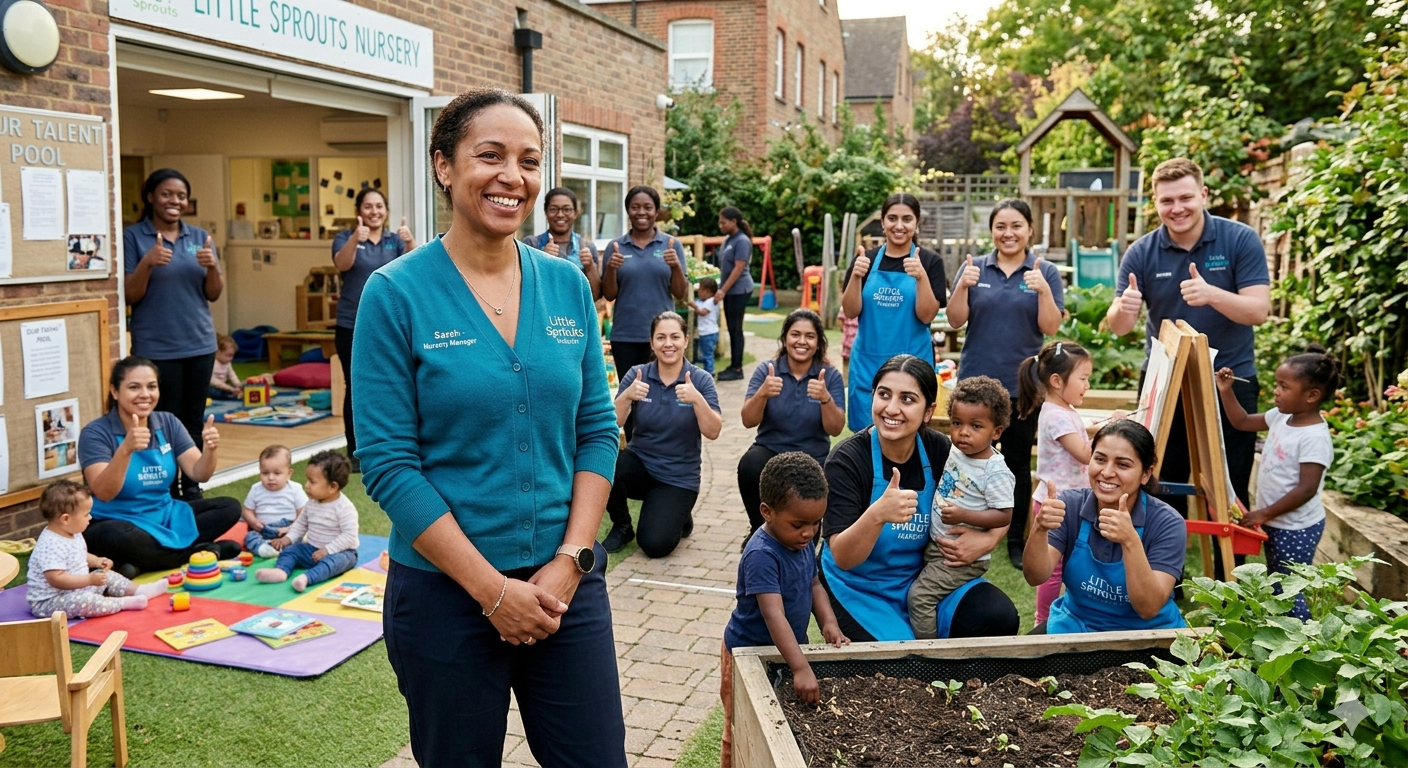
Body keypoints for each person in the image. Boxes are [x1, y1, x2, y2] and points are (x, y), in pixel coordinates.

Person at [353, 89, 625, 767]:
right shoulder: (395, 294)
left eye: (529, 161)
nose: (513, 176)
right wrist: (493, 592)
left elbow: (596, 428)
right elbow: (389, 465)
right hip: (447, 597)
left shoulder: (567, 287)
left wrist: (571, 560)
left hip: (566, 589)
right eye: (491, 155)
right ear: (444, 166)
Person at [1107, 158, 1271, 518]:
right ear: (1155, 202)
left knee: (1230, 488)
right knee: (1160, 482)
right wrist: (1125, 308)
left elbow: (1259, 310)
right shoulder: (1141, 252)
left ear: (1203, 194)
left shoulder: (1240, 239)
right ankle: (1168, 573)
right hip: (1166, 384)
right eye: (1167, 201)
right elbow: (1117, 325)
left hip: (1230, 381)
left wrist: (1212, 294)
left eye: (1185, 198)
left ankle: (1234, 575)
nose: (1177, 208)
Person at [820, 354, 1019, 642]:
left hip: (924, 577)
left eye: (908, 399)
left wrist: (988, 540)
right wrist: (877, 515)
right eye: (884, 395)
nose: (892, 408)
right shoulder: (848, 460)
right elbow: (843, 557)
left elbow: (995, 495)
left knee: (997, 615)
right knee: (901, 659)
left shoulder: (941, 451)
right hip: (858, 588)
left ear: (929, 411)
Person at [947, 198, 1064, 568]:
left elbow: (1051, 328)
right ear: (992, 231)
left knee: (1014, 463)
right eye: (1001, 226)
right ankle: (961, 527)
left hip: (1023, 387)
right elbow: (953, 320)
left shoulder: (1044, 271)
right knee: (967, 457)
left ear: (1030, 230)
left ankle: (1013, 538)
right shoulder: (974, 268)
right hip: (976, 383)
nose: (1008, 233)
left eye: (1016, 226)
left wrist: (1043, 290)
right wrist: (961, 287)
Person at [720, 452, 848, 768]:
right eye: (798, 524)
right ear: (767, 512)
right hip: (746, 653)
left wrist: (829, 622)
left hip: (784, 652)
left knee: (778, 724)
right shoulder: (762, 555)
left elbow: (814, 583)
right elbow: (773, 614)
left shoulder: (801, 543)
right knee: (739, 730)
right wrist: (801, 667)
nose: (809, 532)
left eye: (816, 523)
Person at [79, 357, 242, 576]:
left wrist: (211, 450)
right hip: (116, 521)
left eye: (151, 387)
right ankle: (193, 554)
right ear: (115, 391)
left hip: (165, 514)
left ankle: (142, 562)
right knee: (112, 535)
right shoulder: (95, 433)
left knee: (229, 507)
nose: (145, 394)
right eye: (134, 387)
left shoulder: (168, 422)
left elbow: (199, 473)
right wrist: (125, 450)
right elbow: (104, 493)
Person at [1024, 420, 1188, 634]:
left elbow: (1148, 608)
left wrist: (1130, 541)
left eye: (1123, 464)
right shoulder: (1071, 507)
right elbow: (1035, 576)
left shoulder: (1167, 523)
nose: (1107, 472)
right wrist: (1039, 529)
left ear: (1146, 474)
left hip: (1146, 636)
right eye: (1100, 459)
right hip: (1076, 627)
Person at [1216, 346, 1338, 621]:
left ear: (1311, 396)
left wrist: (1263, 513)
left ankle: (1303, 639)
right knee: (1278, 583)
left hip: (1296, 527)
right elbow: (1243, 421)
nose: (1276, 391)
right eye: (1277, 385)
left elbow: (1307, 489)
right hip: (1277, 521)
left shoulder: (1314, 438)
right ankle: (1284, 635)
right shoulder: (1282, 417)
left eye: (1284, 386)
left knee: (1287, 590)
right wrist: (1226, 391)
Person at [123, 168, 223, 500]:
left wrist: (212, 267)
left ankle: (191, 488)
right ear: (150, 196)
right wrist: (147, 263)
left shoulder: (199, 238)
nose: (175, 201)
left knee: (192, 419)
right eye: (167, 194)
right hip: (156, 349)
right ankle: (163, 487)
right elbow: (129, 295)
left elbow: (214, 293)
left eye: (180, 195)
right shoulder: (134, 237)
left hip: (199, 343)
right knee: (161, 421)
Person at [602, 312, 722, 556]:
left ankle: (679, 514)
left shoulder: (700, 380)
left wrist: (697, 400)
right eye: (661, 337)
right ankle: (622, 525)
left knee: (655, 546)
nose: (668, 344)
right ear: (652, 342)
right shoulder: (637, 375)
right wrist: (626, 396)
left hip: (678, 477)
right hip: (641, 465)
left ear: (686, 340)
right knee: (602, 459)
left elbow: (713, 432)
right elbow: (612, 423)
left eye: (675, 337)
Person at [908, 376, 1015, 639]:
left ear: (996, 431)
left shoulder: (995, 471)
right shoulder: (955, 451)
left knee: (919, 597)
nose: (963, 432)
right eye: (957, 423)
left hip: (962, 558)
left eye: (976, 426)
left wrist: (964, 515)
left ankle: (928, 655)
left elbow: (1004, 515)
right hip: (938, 547)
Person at [841, 193, 946, 432]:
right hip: (868, 364)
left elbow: (927, 316)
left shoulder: (929, 262)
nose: (899, 226)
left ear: (916, 223)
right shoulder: (864, 260)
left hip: (913, 367)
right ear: (883, 221)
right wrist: (856, 275)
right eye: (892, 218)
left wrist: (920, 277)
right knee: (865, 440)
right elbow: (850, 310)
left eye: (907, 219)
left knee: (908, 436)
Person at [738, 309, 845, 540]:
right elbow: (748, 420)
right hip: (770, 451)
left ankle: (802, 533)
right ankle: (760, 531)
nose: (801, 341)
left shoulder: (829, 375)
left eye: (810, 336)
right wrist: (762, 394)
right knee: (749, 464)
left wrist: (825, 398)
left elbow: (835, 429)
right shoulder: (768, 371)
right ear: (785, 338)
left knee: (805, 537)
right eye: (795, 334)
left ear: (818, 343)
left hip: (811, 456)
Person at [332, 188, 415, 473]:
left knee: (393, 386)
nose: (374, 211)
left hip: (389, 326)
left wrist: (411, 242)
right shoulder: (346, 238)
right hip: (350, 324)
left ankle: (389, 448)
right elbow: (341, 265)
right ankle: (354, 451)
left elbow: (416, 270)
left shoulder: (395, 240)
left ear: (386, 210)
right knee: (354, 388)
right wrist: (356, 238)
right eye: (368, 206)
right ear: (359, 210)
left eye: (379, 206)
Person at [1016, 341, 1097, 625]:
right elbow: (1086, 454)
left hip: (1069, 502)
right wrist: (1112, 429)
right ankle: (1043, 620)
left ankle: (1063, 615)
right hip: (1056, 506)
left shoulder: (1064, 409)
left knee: (1067, 564)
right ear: (1056, 381)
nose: (1088, 385)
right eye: (1084, 379)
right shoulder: (1056, 416)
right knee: (1053, 569)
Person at [27, 481, 169, 619]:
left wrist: (96, 561)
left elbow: (79, 554)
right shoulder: (51, 544)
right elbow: (56, 579)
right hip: (51, 602)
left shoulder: (72, 532)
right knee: (83, 601)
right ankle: (122, 603)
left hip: (77, 588)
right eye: (86, 514)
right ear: (65, 519)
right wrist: (88, 580)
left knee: (108, 576)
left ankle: (138, 590)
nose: (90, 517)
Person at [601, 186, 689, 379]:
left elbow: (680, 293)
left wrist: (675, 267)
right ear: (628, 211)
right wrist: (610, 268)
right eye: (635, 207)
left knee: (663, 393)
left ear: (656, 212)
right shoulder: (616, 247)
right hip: (625, 336)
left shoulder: (671, 245)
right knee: (632, 395)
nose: (641, 212)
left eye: (647, 207)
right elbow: (609, 295)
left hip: (663, 337)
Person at [256, 450, 359, 592]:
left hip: (340, 552)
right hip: (311, 549)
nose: (306, 485)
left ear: (332, 487)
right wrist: (288, 539)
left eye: (312, 482)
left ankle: (307, 578)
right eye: (307, 480)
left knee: (334, 563)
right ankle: (281, 571)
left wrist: (327, 550)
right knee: (291, 550)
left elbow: (349, 536)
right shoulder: (311, 503)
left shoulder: (344, 508)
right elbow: (301, 524)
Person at [525, 187, 601, 300]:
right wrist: (541, 260)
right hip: (543, 314)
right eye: (553, 209)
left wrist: (590, 267)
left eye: (567, 209)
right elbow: (524, 290)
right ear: (546, 212)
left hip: (576, 315)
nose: (560, 214)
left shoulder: (586, 247)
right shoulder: (531, 244)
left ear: (575, 213)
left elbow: (596, 295)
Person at [241, 445, 308, 559]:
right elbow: (247, 511)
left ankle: (284, 549)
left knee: (295, 539)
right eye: (265, 473)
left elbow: (303, 514)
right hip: (263, 529)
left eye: (277, 473)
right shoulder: (256, 489)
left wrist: (290, 528)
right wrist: (253, 521)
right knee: (249, 537)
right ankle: (264, 549)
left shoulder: (295, 489)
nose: (270, 478)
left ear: (289, 473)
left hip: (286, 528)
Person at [714, 206, 756, 381]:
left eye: (723, 222)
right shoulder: (728, 239)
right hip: (730, 291)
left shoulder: (742, 241)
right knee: (732, 329)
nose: (720, 225)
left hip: (739, 290)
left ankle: (737, 369)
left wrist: (722, 290)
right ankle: (734, 365)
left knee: (735, 329)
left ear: (734, 222)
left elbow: (739, 268)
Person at [691, 277, 720, 374]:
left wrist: (694, 307)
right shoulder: (702, 301)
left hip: (709, 333)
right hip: (705, 333)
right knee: (704, 353)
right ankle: (706, 369)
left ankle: (710, 372)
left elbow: (702, 312)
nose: (698, 291)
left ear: (708, 291)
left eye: (700, 289)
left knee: (708, 354)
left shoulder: (711, 301)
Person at [209, 334, 242, 400]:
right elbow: (212, 380)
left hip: (224, 386)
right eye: (228, 355)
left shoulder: (227, 363)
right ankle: (227, 395)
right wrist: (229, 388)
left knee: (235, 388)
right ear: (217, 352)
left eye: (232, 356)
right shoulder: (212, 363)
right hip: (212, 386)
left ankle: (230, 393)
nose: (230, 359)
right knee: (212, 392)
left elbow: (232, 374)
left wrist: (237, 384)